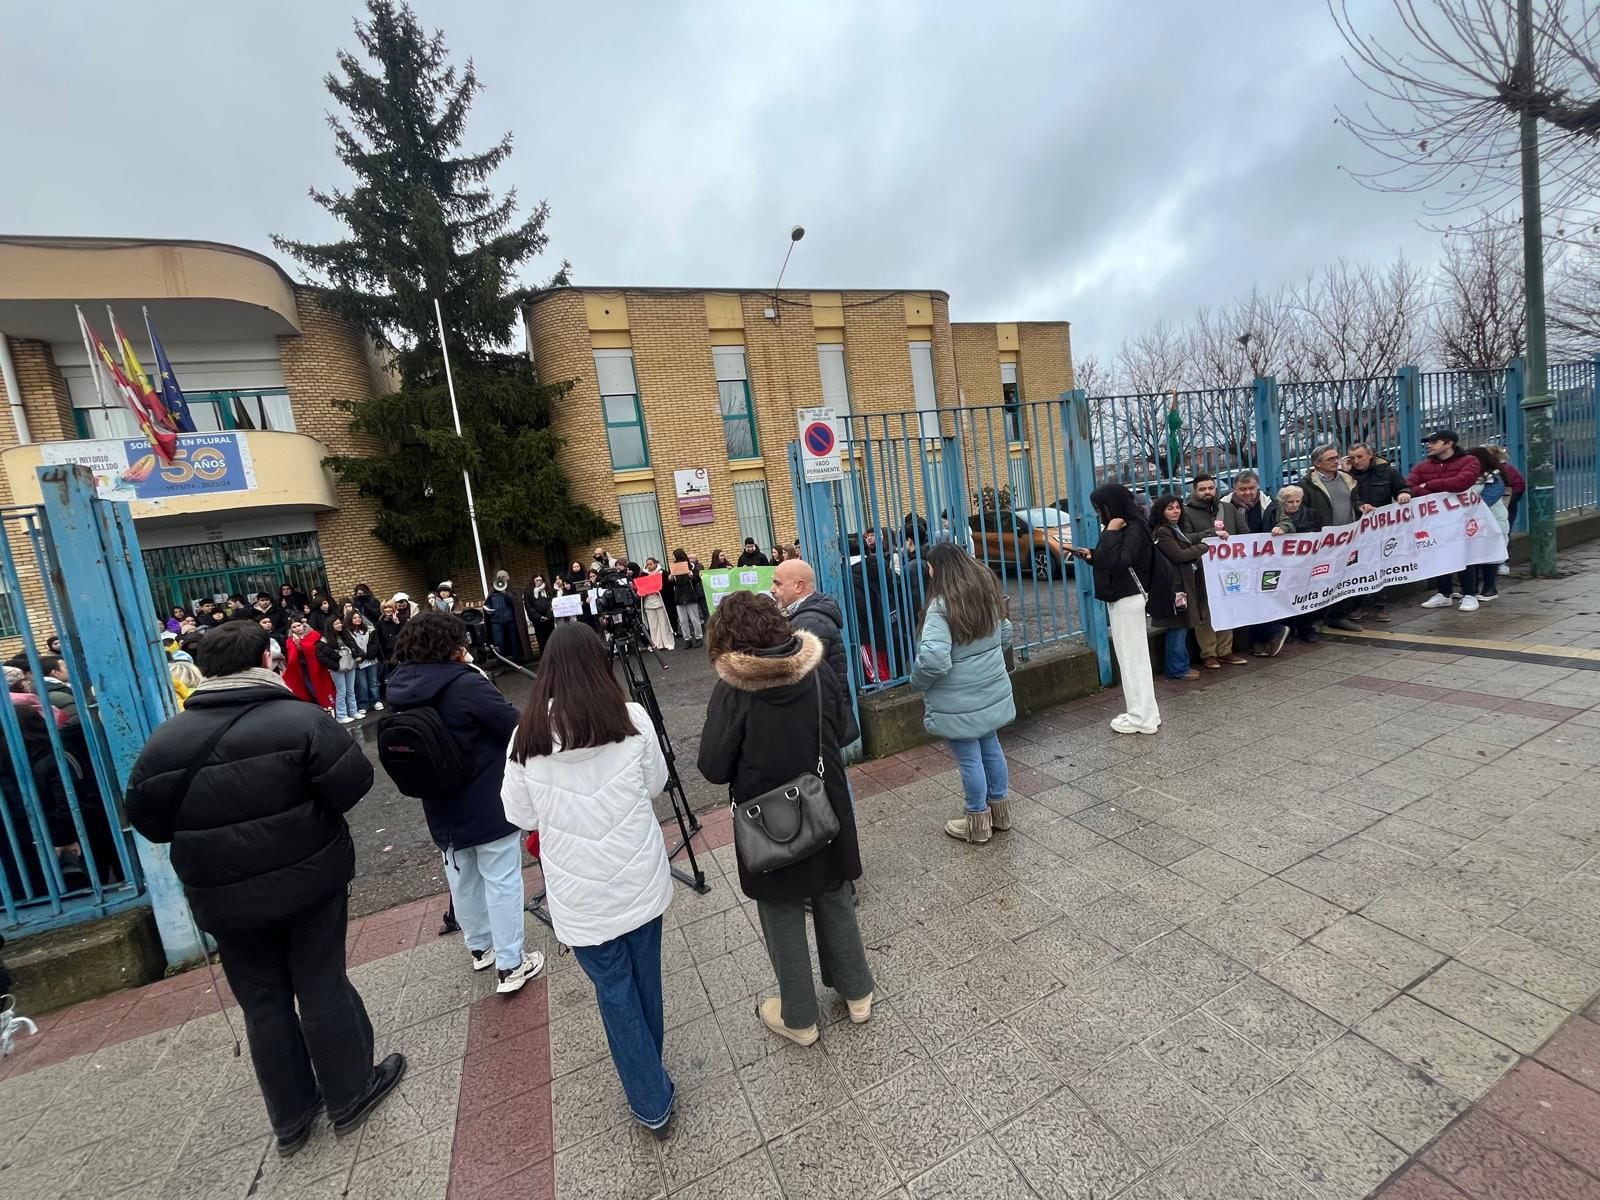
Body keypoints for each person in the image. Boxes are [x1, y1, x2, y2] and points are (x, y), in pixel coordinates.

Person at [125, 622, 404, 1156]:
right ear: (263, 658)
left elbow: (151, 821)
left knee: (262, 1001)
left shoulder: (163, 742)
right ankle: (350, 1091)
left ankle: (291, 1116)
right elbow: (352, 784)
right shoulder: (299, 719)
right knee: (321, 983)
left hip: (223, 897)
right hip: (308, 882)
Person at [500, 623, 676, 1137]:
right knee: (646, 980)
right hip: (638, 876)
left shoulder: (527, 735)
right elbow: (655, 784)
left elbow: (519, 813)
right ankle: (651, 1083)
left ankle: (650, 1097)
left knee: (615, 991)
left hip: (578, 892)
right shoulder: (632, 718)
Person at [698, 592, 873, 1047]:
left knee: (781, 909)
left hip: (767, 817)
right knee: (833, 892)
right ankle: (857, 995)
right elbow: (847, 730)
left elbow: (714, 766)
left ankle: (800, 1017)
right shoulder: (815, 671)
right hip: (826, 800)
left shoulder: (733, 690)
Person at [383, 613, 541, 994]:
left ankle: (480, 947)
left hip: (439, 802)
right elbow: (513, 725)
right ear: (450, 645)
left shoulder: (399, 687)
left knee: (462, 877)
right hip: (484, 798)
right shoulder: (465, 684)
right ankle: (511, 964)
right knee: (501, 879)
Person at [909, 545, 1015, 844]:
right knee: (991, 746)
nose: (928, 571)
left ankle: (977, 821)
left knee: (969, 757)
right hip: (990, 688)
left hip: (956, 699)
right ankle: (1001, 814)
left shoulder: (940, 607)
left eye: (930, 567)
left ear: (938, 569)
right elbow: (1005, 634)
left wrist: (917, 682)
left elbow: (934, 659)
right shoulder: (985, 594)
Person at [1071, 483, 1161, 735]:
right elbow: (1111, 559)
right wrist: (1091, 555)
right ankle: (1147, 712)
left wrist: (1109, 533)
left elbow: (1118, 561)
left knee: (1132, 659)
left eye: (1101, 508)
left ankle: (1141, 717)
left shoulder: (1131, 528)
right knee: (1134, 658)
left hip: (1127, 599)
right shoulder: (1132, 526)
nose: (1099, 513)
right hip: (1126, 598)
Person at [771, 559, 861, 745]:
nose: (772, 589)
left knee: (826, 772)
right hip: (822, 719)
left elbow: (804, 682)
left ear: (799, 586)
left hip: (819, 723)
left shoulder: (809, 624)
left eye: (778, 583)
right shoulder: (805, 617)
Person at [1408, 429, 1487, 611]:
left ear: (1449, 443)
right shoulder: (1423, 466)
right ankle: (1444, 594)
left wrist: (1428, 485)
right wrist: (1434, 491)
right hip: (1434, 520)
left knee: (1464, 554)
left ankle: (1470, 594)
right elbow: (1410, 486)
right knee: (1438, 554)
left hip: (1463, 518)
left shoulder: (1469, 461)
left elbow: (1462, 482)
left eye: (1434, 442)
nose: (1429, 445)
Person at [1178, 474, 1247, 668]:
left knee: (1226, 608)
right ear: (1195, 491)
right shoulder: (1187, 513)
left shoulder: (1228, 508)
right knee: (1205, 611)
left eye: (1210, 488)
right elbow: (1186, 538)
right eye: (1202, 489)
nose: (1207, 492)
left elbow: (1244, 533)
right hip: (1202, 569)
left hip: (1228, 569)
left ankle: (1225, 650)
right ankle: (1208, 652)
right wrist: (1210, 534)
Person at [1150, 496, 1206, 681]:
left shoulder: (1175, 529)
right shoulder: (1163, 531)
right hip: (1175, 586)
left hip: (1182, 582)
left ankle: (1180, 665)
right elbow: (1178, 555)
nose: (1176, 511)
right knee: (1178, 626)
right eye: (1170, 508)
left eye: (1177, 507)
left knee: (1181, 626)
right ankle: (1177, 668)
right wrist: (1202, 548)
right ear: (1161, 511)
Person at [1466, 446, 1511, 602]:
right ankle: (1474, 588)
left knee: (1489, 554)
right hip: (1473, 523)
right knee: (1474, 555)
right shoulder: (1469, 476)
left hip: (1492, 521)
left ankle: (1490, 588)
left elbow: (1486, 501)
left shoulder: (1493, 478)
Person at [284, 619, 335, 712]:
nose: (297, 628)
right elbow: (293, 657)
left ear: (303, 625)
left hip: (319, 667)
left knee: (324, 688)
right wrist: (298, 645)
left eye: (298, 625)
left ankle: (328, 708)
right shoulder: (290, 640)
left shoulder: (313, 635)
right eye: (294, 627)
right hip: (304, 669)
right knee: (312, 690)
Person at [1491, 447, 1525, 576]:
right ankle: (1497, 562)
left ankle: (1503, 562)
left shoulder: (1507, 469)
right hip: (1502, 506)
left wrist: (1509, 501)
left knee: (1505, 533)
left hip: (1505, 506)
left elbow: (1518, 485)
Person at [320, 616, 359, 723]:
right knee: (341, 692)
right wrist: (335, 666)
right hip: (337, 669)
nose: (339, 625)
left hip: (350, 665)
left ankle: (354, 711)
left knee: (351, 690)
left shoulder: (345, 635)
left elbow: (354, 646)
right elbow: (321, 656)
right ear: (330, 626)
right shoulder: (324, 639)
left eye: (340, 623)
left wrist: (357, 656)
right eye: (336, 624)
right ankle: (341, 715)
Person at [346, 611, 383, 713]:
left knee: (373, 682)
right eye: (354, 618)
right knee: (362, 685)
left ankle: (375, 701)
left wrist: (369, 655)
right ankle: (363, 704)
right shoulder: (347, 633)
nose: (357, 619)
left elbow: (375, 644)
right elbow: (351, 646)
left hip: (371, 660)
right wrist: (359, 656)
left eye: (359, 617)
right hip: (358, 662)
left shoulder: (370, 630)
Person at [669, 549, 706, 648]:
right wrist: (671, 578)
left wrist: (692, 576)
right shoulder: (673, 567)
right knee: (682, 620)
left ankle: (698, 637)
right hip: (679, 596)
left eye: (674, 556)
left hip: (690, 594)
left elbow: (697, 580)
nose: (673, 558)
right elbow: (672, 584)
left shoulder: (691, 566)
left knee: (694, 618)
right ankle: (687, 639)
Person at [483, 570, 521, 661]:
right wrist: (488, 609)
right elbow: (488, 603)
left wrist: (505, 593)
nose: (501, 579)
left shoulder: (512, 589)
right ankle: (501, 661)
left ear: (508, 577)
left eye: (503, 577)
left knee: (514, 641)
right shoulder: (493, 590)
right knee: (499, 642)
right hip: (496, 621)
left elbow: (515, 602)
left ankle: (516, 660)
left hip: (510, 619)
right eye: (499, 577)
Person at [639, 558, 675, 651]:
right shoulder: (643, 574)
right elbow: (640, 586)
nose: (649, 566)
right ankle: (656, 644)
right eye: (647, 564)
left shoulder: (662, 573)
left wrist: (659, 590)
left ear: (655, 564)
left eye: (651, 564)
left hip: (660, 601)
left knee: (664, 623)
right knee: (653, 625)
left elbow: (668, 587)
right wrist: (642, 592)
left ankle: (668, 642)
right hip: (648, 602)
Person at [525, 575, 555, 652]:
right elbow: (528, 606)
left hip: (549, 618)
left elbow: (552, 602)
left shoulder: (548, 590)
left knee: (551, 638)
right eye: (537, 580)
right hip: (538, 620)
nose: (539, 582)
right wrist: (539, 616)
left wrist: (549, 615)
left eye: (540, 580)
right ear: (533, 581)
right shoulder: (529, 592)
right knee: (541, 639)